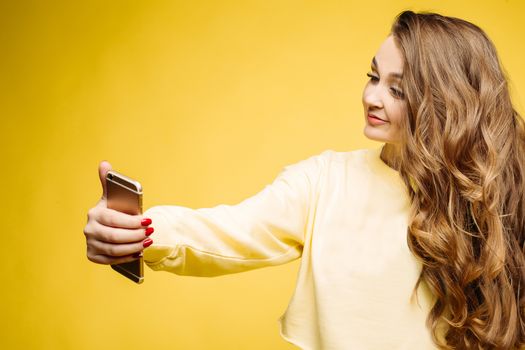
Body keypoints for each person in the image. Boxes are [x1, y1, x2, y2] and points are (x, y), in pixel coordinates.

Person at [83, 11, 525, 349]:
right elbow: (232, 231)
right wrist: (140, 229)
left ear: (447, 103)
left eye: (398, 89)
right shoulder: (324, 182)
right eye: (373, 76)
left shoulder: (500, 192)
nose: (371, 97)